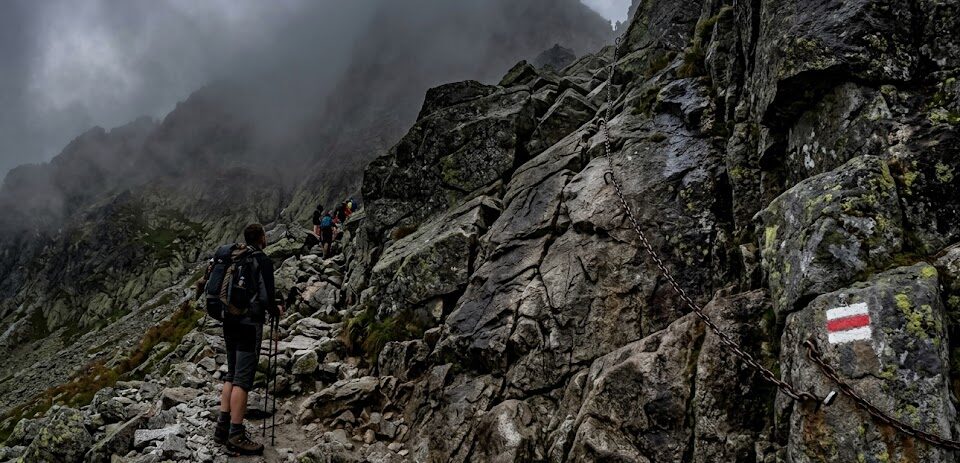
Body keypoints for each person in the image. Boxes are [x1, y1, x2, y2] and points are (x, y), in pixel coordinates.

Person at [212, 223, 284, 456]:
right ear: (262, 237)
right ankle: (236, 434)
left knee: (231, 374)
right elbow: (266, 298)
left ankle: (222, 428)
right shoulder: (261, 260)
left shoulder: (235, 258)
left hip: (228, 321)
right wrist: (276, 310)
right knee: (243, 380)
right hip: (248, 325)